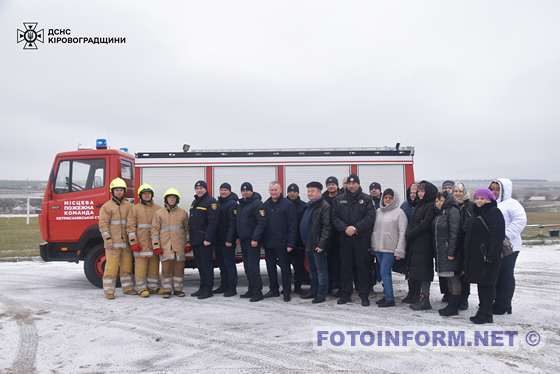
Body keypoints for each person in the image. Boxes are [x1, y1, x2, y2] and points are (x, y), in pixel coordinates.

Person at [332, 174, 376, 306]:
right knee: (345, 267)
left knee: (362, 267)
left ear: (358, 184)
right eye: (349, 183)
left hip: (361, 239)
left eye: (354, 183)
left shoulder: (366, 199)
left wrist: (356, 228)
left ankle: (364, 295)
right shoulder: (339, 199)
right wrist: (345, 228)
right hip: (345, 238)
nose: (351, 185)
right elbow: (334, 217)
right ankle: (345, 294)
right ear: (346, 185)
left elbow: (370, 217)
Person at [464, 188, 505, 324]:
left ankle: (486, 314)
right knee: (482, 285)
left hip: (488, 257)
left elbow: (497, 237)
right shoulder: (476, 212)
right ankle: (484, 312)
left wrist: (491, 256)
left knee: (487, 285)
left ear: (490, 199)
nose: (479, 201)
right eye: (477, 198)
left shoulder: (494, 213)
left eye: (483, 198)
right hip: (478, 256)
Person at [489, 178, 527, 315]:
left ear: (505, 190)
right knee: (496, 275)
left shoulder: (512, 204)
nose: (494, 191)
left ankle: (503, 305)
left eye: (497, 189)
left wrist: (505, 236)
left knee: (506, 275)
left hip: (509, 246)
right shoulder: (492, 204)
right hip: (495, 246)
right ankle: (499, 302)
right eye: (492, 188)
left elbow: (521, 220)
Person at [98, 177, 134, 299]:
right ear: (112, 191)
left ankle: (127, 288)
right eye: (116, 190)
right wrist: (108, 240)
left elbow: (132, 223)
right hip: (112, 244)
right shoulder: (106, 207)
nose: (119, 192)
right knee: (111, 269)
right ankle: (109, 291)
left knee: (127, 267)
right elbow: (103, 225)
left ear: (124, 191)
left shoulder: (128, 206)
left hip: (126, 244)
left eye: (121, 190)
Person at [371, 188, 407, 308]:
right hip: (379, 248)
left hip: (390, 249)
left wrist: (399, 250)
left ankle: (390, 299)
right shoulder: (378, 212)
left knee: (384, 272)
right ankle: (387, 295)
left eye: (390, 198)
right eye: (385, 197)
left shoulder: (399, 213)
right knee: (383, 273)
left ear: (394, 199)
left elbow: (403, 232)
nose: (387, 200)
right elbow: (374, 230)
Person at [262, 181, 297, 302]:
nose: (273, 192)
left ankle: (287, 292)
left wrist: (291, 243)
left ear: (280, 190)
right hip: (269, 243)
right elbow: (262, 224)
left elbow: (293, 226)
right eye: (271, 190)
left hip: (283, 244)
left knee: (285, 269)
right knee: (270, 268)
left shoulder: (288, 205)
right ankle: (274, 290)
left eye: (275, 190)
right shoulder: (265, 205)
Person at [406, 180, 438, 310]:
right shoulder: (419, 204)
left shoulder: (430, 205)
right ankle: (417, 297)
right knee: (417, 271)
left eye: (422, 191)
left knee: (424, 272)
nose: (420, 193)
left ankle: (425, 300)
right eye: (419, 191)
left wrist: (411, 233)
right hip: (416, 242)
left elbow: (425, 224)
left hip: (424, 243)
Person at [152, 188, 189, 298]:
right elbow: (154, 231)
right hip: (165, 247)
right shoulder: (158, 213)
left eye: (174, 198)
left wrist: (187, 243)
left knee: (179, 269)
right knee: (166, 270)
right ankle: (166, 290)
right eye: (169, 198)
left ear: (177, 200)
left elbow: (187, 230)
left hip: (179, 247)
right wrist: (156, 246)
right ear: (166, 200)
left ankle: (178, 289)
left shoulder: (183, 213)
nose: (171, 200)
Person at [299, 181, 331, 304]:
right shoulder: (309, 205)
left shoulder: (324, 206)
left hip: (317, 245)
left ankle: (321, 294)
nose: (309, 193)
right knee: (312, 271)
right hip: (308, 244)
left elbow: (327, 227)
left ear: (319, 192)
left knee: (321, 271)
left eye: (312, 191)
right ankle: (314, 290)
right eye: (308, 191)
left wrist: (321, 244)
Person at [127, 183, 161, 297]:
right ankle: (140, 288)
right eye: (144, 194)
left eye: (149, 194)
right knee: (140, 267)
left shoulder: (158, 209)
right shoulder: (134, 209)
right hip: (140, 244)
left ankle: (153, 287)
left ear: (152, 195)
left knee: (154, 266)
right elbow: (130, 227)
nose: (147, 196)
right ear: (140, 196)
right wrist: (133, 243)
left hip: (154, 244)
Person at [235, 182, 267, 302]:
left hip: (253, 241)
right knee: (247, 267)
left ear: (252, 191)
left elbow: (261, 223)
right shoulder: (241, 204)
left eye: (247, 190)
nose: (245, 192)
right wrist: (238, 236)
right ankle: (251, 289)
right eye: (243, 190)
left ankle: (257, 292)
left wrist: (255, 238)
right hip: (243, 240)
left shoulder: (257, 204)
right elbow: (239, 222)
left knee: (253, 268)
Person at [433, 192, 462, 316]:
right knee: (448, 278)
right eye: (437, 201)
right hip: (441, 252)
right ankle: (451, 303)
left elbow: (454, 233)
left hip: (449, 252)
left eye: (441, 200)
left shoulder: (452, 211)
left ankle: (454, 307)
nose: (438, 203)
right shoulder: (442, 213)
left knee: (453, 278)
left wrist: (451, 252)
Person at [188, 180, 219, 299]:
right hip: (196, 240)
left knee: (206, 266)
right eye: (197, 188)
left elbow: (213, 222)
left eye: (201, 188)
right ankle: (202, 288)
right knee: (200, 265)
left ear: (206, 189)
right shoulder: (195, 201)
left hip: (205, 241)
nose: (199, 190)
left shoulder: (211, 202)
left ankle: (208, 290)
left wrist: (208, 238)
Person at [453, 182, 474, 310]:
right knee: (454, 273)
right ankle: (454, 296)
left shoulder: (470, 206)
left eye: (460, 191)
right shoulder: (451, 205)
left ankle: (464, 298)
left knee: (464, 273)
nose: (458, 193)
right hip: (454, 243)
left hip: (465, 243)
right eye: (456, 191)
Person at [215, 182, 239, 297]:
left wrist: (230, 239)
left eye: (225, 190)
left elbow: (233, 223)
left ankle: (232, 288)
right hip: (218, 240)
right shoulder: (219, 203)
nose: (223, 192)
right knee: (222, 264)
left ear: (229, 191)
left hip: (228, 241)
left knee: (229, 264)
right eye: (221, 190)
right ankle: (223, 286)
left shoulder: (232, 204)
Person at [286, 183, 308, 294]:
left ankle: (298, 287)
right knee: (285, 267)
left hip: (299, 243)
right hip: (286, 242)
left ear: (298, 193)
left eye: (294, 191)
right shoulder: (283, 204)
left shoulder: (304, 206)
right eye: (290, 191)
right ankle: (287, 288)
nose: (292, 193)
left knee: (299, 267)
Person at [438, 180, 456, 301]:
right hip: (440, 247)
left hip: (450, 247)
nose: (447, 190)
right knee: (443, 274)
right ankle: (447, 294)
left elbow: (454, 232)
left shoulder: (453, 208)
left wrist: (451, 250)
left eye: (450, 188)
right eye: (445, 188)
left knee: (453, 275)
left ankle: (456, 300)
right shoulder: (441, 208)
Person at [323, 176, 341, 296]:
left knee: (339, 263)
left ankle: (338, 286)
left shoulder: (342, 197)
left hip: (339, 235)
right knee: (327, 262)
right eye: (329, 184)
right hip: (326, 236)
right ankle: (328, 286)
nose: (331, 186)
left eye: (333, 184)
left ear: (337, 185)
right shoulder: (323, 198)